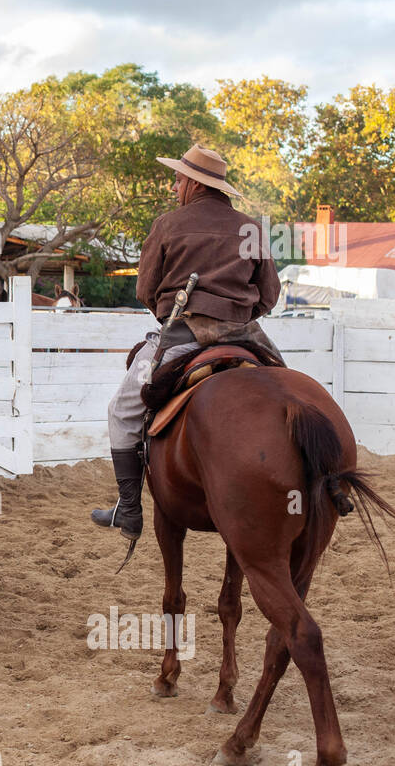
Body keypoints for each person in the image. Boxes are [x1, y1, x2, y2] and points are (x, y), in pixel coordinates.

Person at [90, 143, 282, 539]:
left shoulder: (168, 224)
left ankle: (128, 511)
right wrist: (237, 316)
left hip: (182, 335)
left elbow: (146, 290)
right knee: (287, 392)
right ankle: (321, 483)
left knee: (121, 409)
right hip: (248, 336)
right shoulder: (251, 227)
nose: (173, 186)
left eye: (177, 179)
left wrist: (172, 313)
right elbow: (269, 296)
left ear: (194, 183)